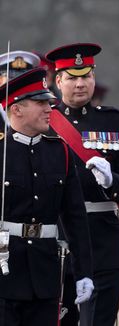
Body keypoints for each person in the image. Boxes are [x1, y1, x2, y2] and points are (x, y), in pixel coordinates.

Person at [45, 43, 119, 326]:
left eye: (86, 76)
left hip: (102, 236)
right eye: (72, 77)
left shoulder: (115, 122)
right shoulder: (43, 121)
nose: (80, 83)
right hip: (57, 236)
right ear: (58, 81)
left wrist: (112, 181)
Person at [0, 68, 94, 326]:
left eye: (49, 103)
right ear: (16, 109)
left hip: (46, 272)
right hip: (5, 271)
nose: (49, 109)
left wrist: (84, 271)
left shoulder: (59, 151)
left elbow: (75, 216)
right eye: (40, 103)